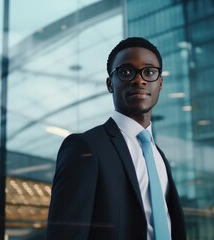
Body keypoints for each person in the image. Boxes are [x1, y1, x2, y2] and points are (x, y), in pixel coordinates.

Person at [46, 37, 186, 240]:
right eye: (126, 72)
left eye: (149, 72)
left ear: (160, 83)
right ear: (110, 84)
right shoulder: (85, 147)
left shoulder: (158, 156)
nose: (140, 80)